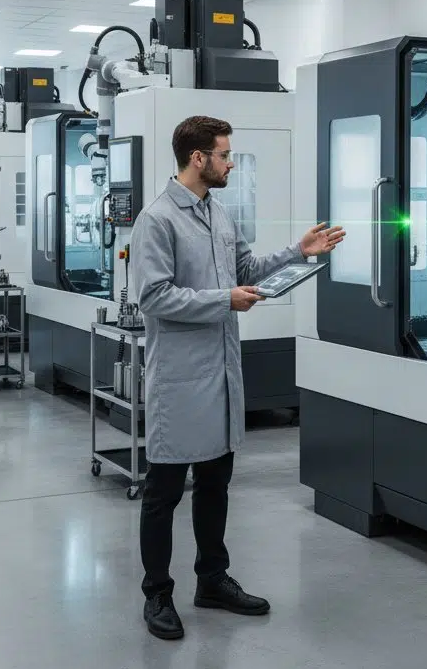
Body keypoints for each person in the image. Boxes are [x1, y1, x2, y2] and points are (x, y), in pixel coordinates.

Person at [130, 115, 345, 641]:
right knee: (163, 494)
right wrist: (223, 301)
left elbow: (245, 267)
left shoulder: (216, 214)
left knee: (215, 485)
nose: (230, 163)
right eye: (224, 155)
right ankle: (157, 592)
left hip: (221, 375)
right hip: (180, 382)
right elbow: (154, 297)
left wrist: (299, 252)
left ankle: (212, 579)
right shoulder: (157, 220)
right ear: (198, 158)